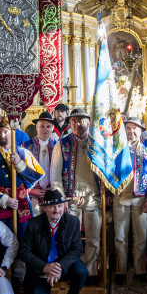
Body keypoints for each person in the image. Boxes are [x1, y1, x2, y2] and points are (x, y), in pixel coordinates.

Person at [18, 189, 88, 294]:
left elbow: (77, 249)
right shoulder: (34, 224)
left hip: (64, 265)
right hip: (41, 269)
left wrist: (60, 266)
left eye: (60, 206)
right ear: (44, 208)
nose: (57, 210)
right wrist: (44, 267)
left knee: (81, 271)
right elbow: (24, 251)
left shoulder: (73, 222)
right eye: (52, 207)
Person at [50, 108, 103, 278]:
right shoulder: (62, 143)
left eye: (81, 120)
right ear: (69, 123)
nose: (77, 124)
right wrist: (61, 198)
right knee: (69, 239)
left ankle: (91, 270)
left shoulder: (97, 144)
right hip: (70, 199)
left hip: (93, 198)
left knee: (94, 238)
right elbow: (55, 174)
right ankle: (72, 270)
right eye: (73, 121)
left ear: (88, 122)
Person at [0, 114, 45, 239]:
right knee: (1, 239)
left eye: (5, 131)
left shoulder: (23, 153)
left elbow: (38, 175)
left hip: (22, 205)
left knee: (24, 237)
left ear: (12, 132)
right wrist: (4, 199)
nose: (2, 135)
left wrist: (20, 164)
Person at [113, 116, 147, 285]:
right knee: (120, 236)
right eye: (128, 128)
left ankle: (140, 269)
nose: (131, 131)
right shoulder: (117, 147)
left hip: (141, 198)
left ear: (141, 130)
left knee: (140, 236)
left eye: (135, 128)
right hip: (120, 197)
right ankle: (121, 269)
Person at [27, 111, 60, 215]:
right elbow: (21, 173)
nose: (45, 129)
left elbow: (62, 171)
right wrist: (31, 190)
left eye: (48, 127)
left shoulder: (58, 146)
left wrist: (54, 187)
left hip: (52, 193)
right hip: (32, 194)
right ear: (36, 127)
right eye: (42, 126)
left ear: (52, 128)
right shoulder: (26, 146)